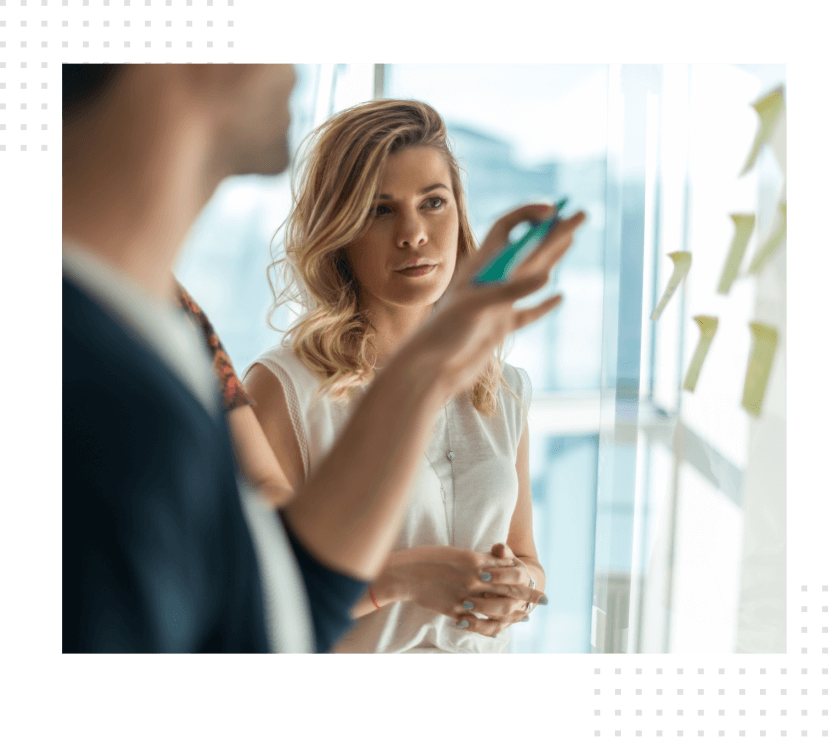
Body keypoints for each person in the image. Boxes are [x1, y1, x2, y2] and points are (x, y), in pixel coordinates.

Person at [62, 63, 587, 653]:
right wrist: (404, 575)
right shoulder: (153, 380)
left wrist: (518, 587)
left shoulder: (173, 337)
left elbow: (269, 598)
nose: (414, 233)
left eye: (434, 202)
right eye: (380, 209)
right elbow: (263, 606)